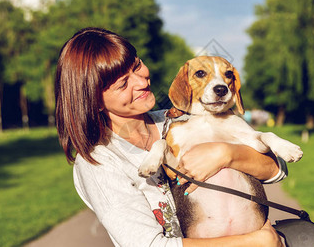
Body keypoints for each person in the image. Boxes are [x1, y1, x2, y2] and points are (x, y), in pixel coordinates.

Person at [55, 27, 286, 247]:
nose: (141, 81)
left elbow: (278, 169)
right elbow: (147, 244)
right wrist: (255, 242)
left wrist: (227, 154)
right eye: (123, 83)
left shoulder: (181, 120)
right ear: (93, 102)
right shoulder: (100, 162)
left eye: (136, 66)